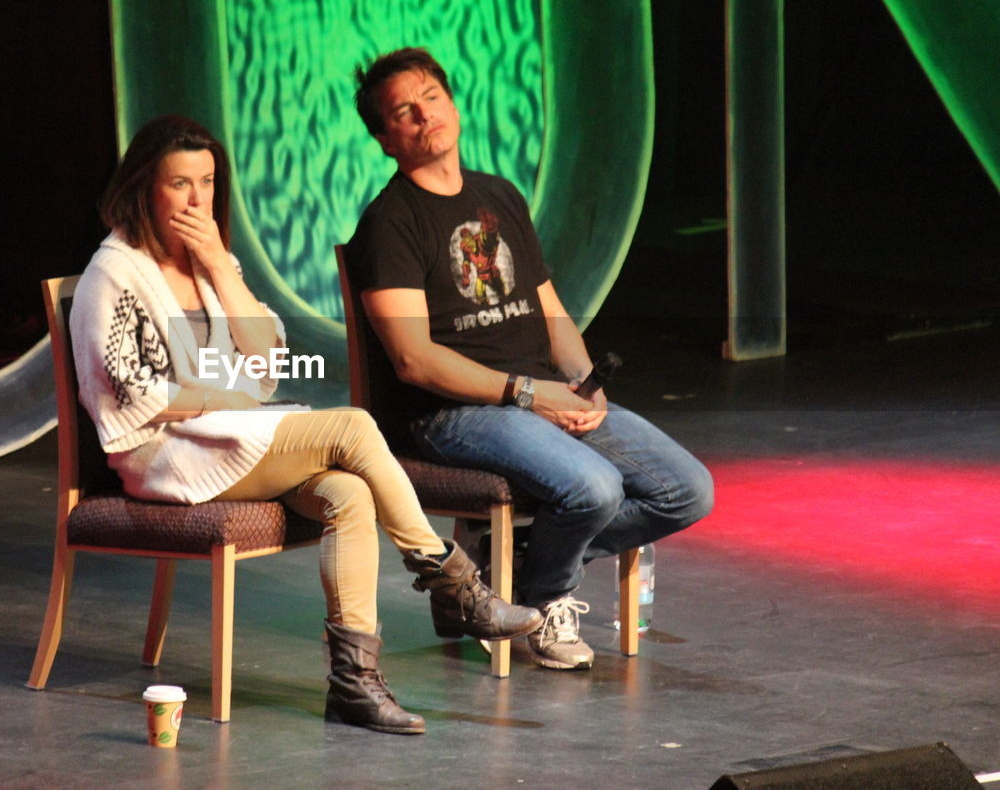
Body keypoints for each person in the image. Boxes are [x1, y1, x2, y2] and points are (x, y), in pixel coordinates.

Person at [70, 115, 540, 734]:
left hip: (230, 438)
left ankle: (354, 685)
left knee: (348, 493)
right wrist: (218, 402)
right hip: (164, 453)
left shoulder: (208, 261)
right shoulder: (115, 272)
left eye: (206, 182)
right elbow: (127, 389)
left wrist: (219, 264)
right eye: (179, 184)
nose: (196, 199)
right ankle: (453, 583)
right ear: (143, 189)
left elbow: (265, 361)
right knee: (351, 428)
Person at [346, 48, 714, 671]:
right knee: (593, 488)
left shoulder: (500, 196)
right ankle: (544, 601)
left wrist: (583, 381)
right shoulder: (391, 222)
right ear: (386, 139)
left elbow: (548, 310)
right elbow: (413, 360)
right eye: (403, 112)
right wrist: (527, 393)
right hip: (454, 412)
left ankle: (501, 573)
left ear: (453, 105)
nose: (424, 114)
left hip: (535, 393)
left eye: (431, 97)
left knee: (687, 491)